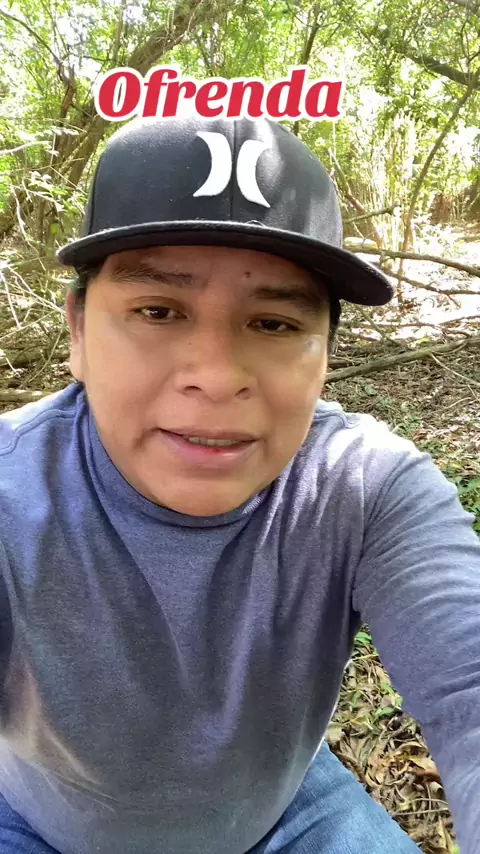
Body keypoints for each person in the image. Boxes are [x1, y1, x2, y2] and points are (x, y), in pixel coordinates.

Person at [0, 115, 478, 854]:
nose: (218, 377)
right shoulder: (12, 492)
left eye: (275, 323)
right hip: (35, 822)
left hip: (286, 814)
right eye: (158, 311)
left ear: (325, 353)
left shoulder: (365, 490)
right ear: (79, 333)